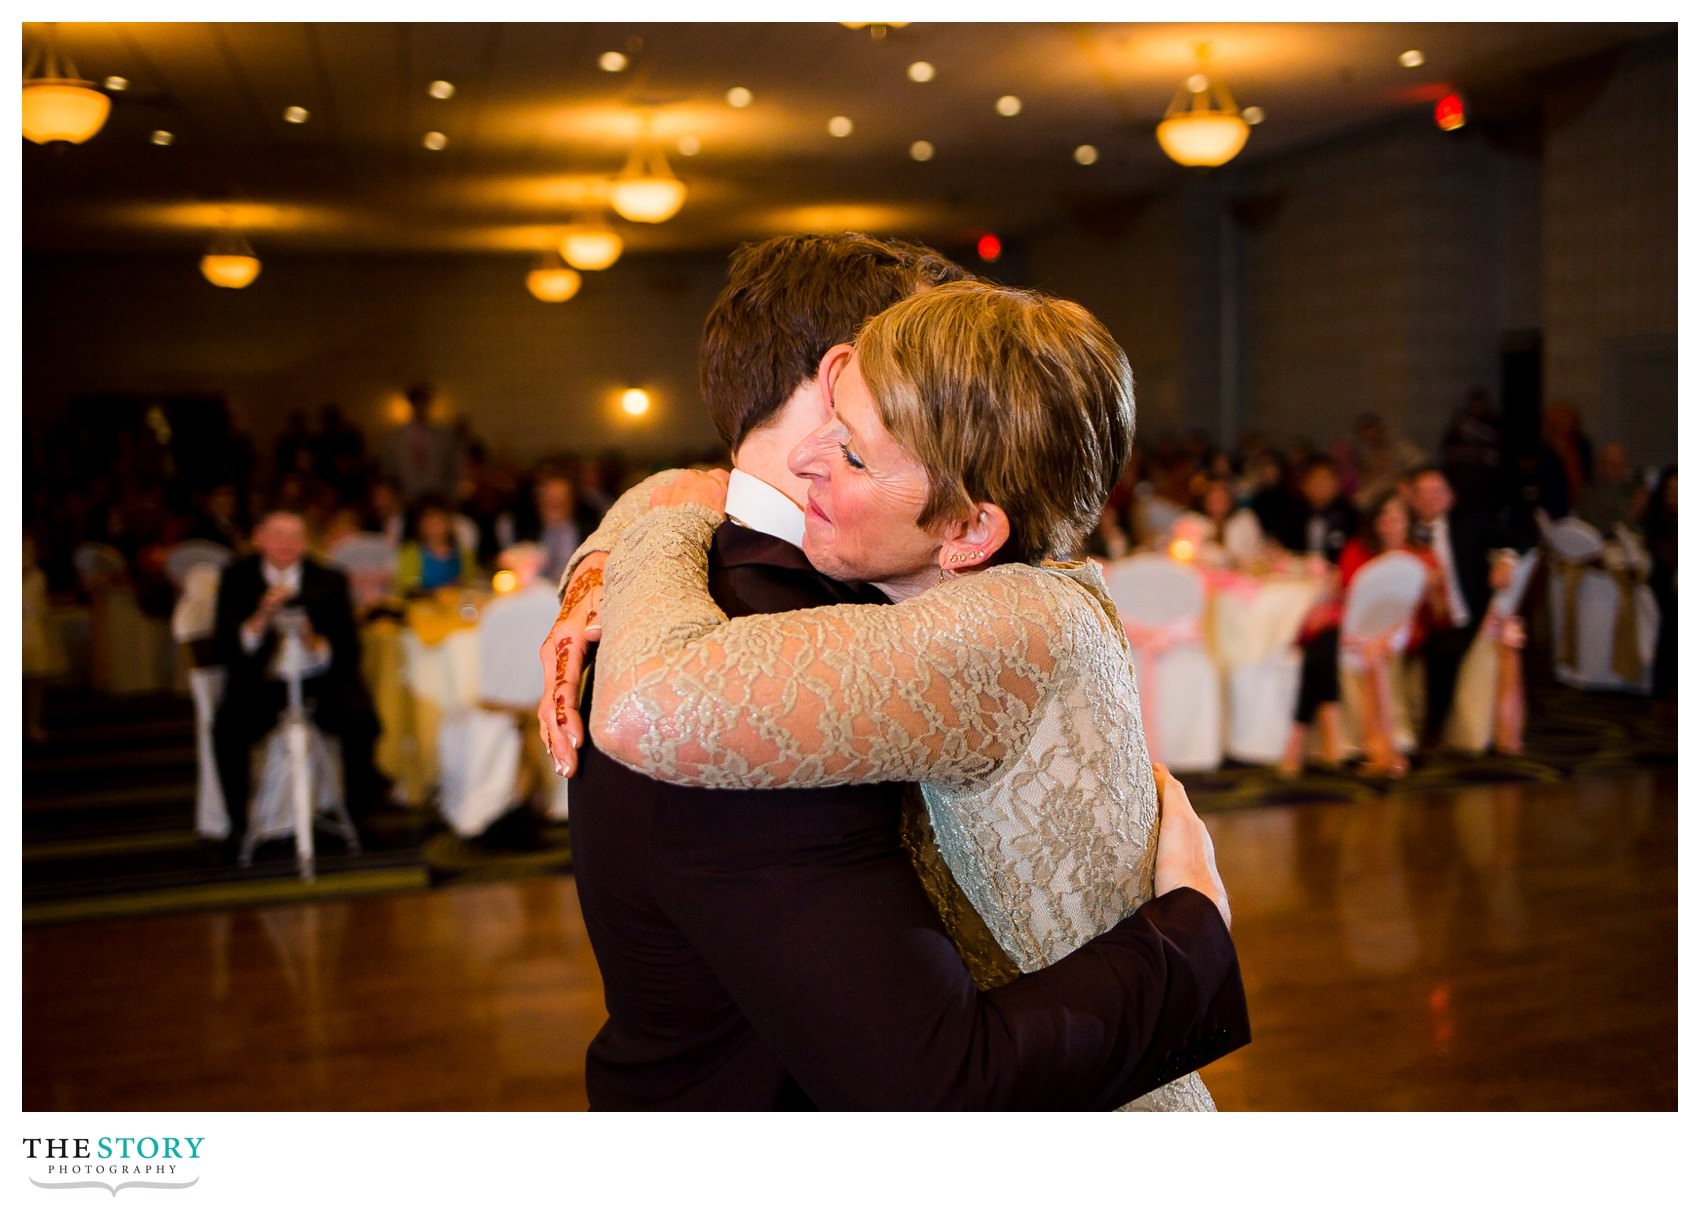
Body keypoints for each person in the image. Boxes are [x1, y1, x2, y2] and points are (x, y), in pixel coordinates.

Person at [539, 236, 1247, 1111]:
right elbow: (931, 1086)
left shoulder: (908, 593)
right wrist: (1191, 938)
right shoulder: (750, 636)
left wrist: (640, 525)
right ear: (835, 372)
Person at [211, 508, 383, 850]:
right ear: (259, 538)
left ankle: (359, 816)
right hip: (261, 682)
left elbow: (348, 650)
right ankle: (237, 826)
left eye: (294, 536)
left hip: (317, 680)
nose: (286, 544)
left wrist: (313, 640)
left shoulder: (329, 579)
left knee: (361, 721)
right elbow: (227, 648)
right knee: (227, 730)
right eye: (277, 535)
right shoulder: (237, 578)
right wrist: (260, 619)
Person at [1334, 491, 1447, 777]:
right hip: (1359, 632)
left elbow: (1439, 612)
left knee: (1384, 649)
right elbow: (1348, 598)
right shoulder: (1356, 551)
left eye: (1397, 517)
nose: (1391, 523)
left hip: (1404, 632)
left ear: (1408, 522)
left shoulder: (1423, 556)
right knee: (1363, 648)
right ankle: (1362, 741)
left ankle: (1394, 736)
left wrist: (1432, 588)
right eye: (1385, 516)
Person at [1406, 465, 1509, 748]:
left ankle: (1433, 730)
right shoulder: (1404, 530)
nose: (1430, 499)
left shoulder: (1469, 523)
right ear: (1412, 499)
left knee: (1444, 651)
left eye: (1437, 492)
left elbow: (1509, 538)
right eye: (1422, 493)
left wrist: (1505, 561)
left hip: (1465, 617)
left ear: (1450, 497)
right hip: (1418, 621)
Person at [379, 383, 462, 504]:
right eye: (418, 402)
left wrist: (450, 497)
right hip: (405, 501)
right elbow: (388, 473)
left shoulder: (444, 438)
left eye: (425, 402)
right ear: (411, 404)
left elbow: (453, 471)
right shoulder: (392, 439)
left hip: (437, 501)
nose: (421, 406)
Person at [395, 494, 472, 594]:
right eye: (429, 524)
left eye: (439, 523)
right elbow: (404, 586)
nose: (434, 529)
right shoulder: (411, 553)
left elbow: (470, 583)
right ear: (420, 526)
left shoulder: (463, 553)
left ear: (449, 524)